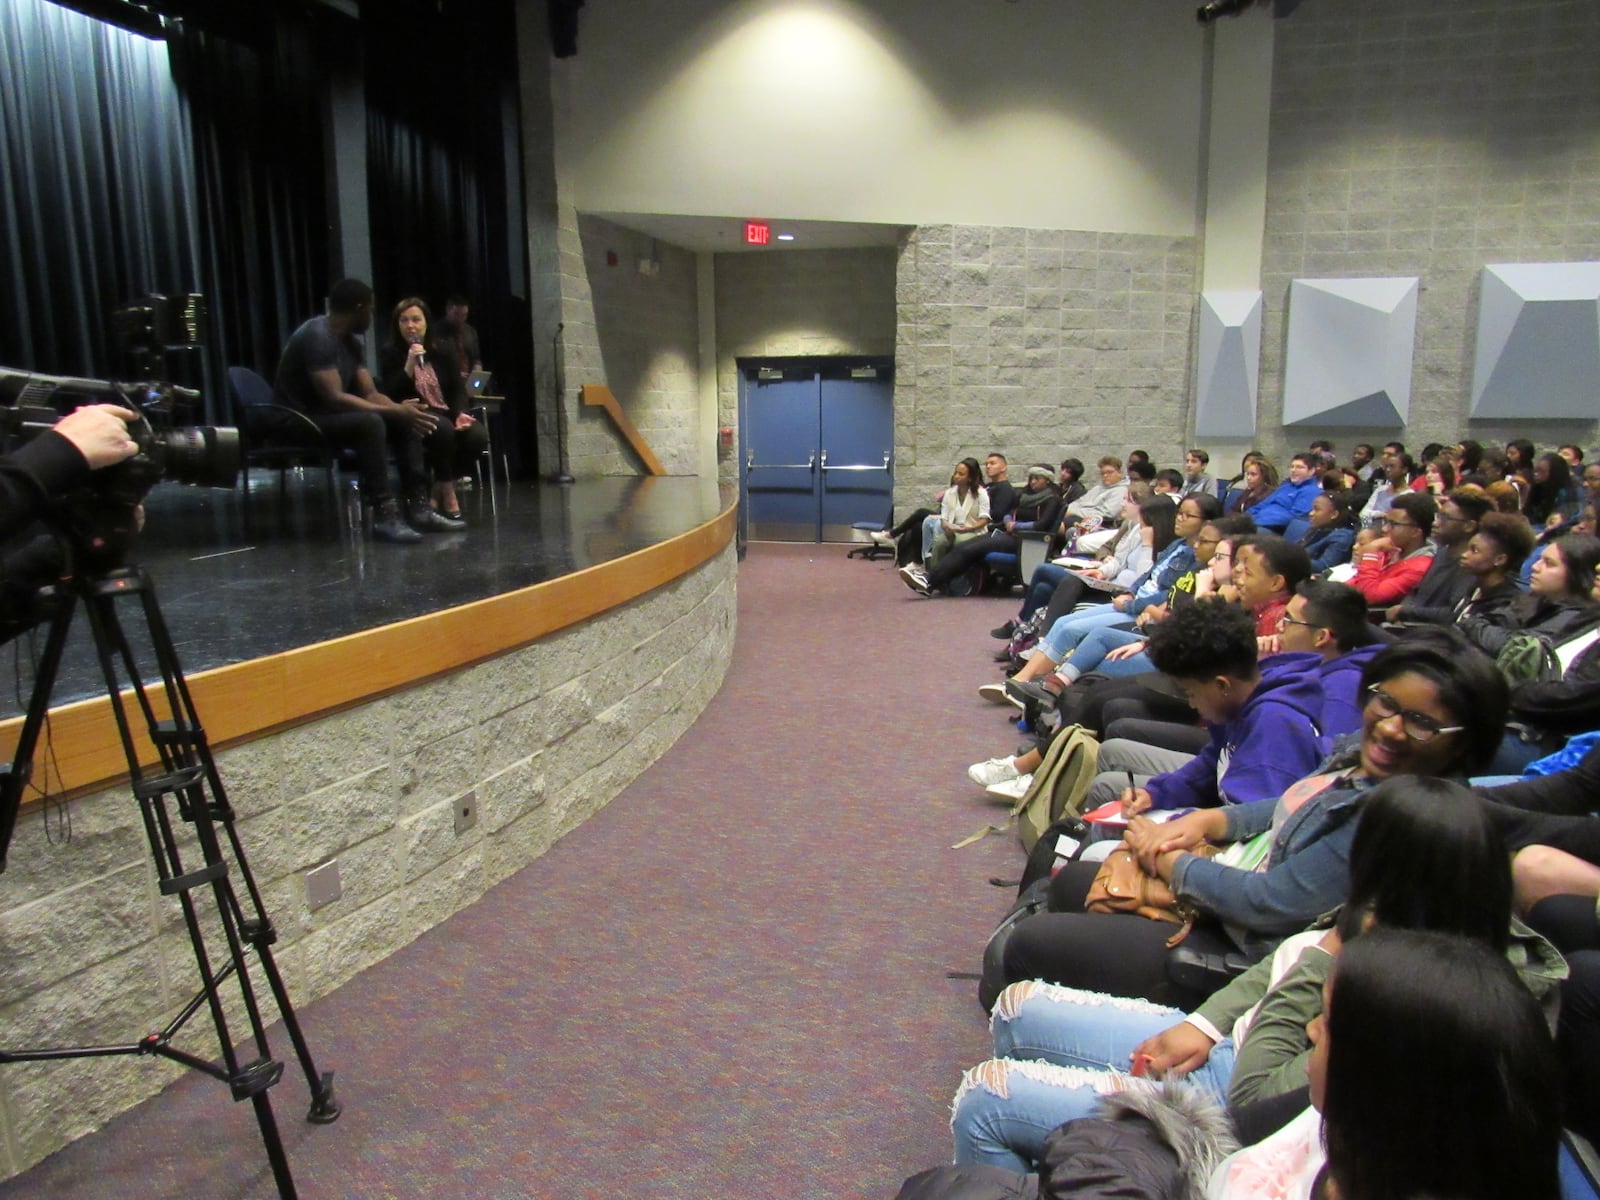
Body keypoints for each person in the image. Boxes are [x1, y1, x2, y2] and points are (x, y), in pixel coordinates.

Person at [949, 781, 1560, 1177]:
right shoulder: (1394, 910)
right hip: (1233, 1036)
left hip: (1248, 1106)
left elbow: (1259, 1096)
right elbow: (1279, 963)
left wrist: (1331, 950)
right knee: (1017, 1009)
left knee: (986, 1100)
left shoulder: (1422, 990)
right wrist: (1203, 1022)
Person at [994, 631, 1509, 1006]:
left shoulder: (1404, 816)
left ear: (1464, 742)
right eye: (1387, 703)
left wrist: (1171, 861)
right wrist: (1212, 824)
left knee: (1032, 943)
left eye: (1420, 722)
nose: (1392, 728)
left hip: (1247, 953)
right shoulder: (1362, 758)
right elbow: (1295, 800)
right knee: (1073, 880)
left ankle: (1040, 1031)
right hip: (1239, 885)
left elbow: (1273, 905)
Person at [271, 278, 435, 544]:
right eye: (370, 309)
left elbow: (370, 393)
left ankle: (419, 506)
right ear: (358, 308)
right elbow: (334, 398)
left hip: (324, 415)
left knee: (403, 419)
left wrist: (400, 410)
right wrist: (393, 412)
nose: (371, 315)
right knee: (371, 423)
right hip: (296, 420)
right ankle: (384, 513)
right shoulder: (318, 336)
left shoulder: (351, 344)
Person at [379, 297, 490, 528]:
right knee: (442, 429)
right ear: (397, 325)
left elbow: (458, 390)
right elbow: (390, 392)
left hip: (445, 411)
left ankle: (439, 485)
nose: (410, 326)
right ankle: (448, 490)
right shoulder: (391, 353)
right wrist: (409, 365)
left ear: (426, 322)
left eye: (416, 320)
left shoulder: (442, 349)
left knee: (477, 436)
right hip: (415, 414)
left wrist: (460, 412)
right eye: (404, 320)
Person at [901, 457, 987, 586]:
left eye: (961, 474)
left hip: (975, 531)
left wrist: (966, 529)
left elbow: (984, 520)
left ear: (970, 477)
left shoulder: (981, 493)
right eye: (956, 473)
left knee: (960, 541)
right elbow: (944, 518)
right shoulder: (949, 494)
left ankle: (945, 578)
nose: (956, 476)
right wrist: (947, 527)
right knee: (940, 542)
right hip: (954, 530)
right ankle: (931, 576)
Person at [1349, 490, 1436, 605]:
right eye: (1386, 522)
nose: (1385, 529)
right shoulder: (1390, 549)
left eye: (1393, 524)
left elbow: (1369, 597)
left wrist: (1371, 552)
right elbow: (1354, 583)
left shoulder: (1420, 568)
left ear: (1415, 532)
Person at [1245, 453, 1321, 533]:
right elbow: (1262, 505)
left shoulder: (1311, 491)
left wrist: (1256, 521)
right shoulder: (1285, 486)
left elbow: (1294, 518)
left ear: (1311, 471)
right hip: (1258, 522)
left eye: (1300, 467)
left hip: (1274, 529)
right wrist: (1244, 519)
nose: (1293, 470)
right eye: (1292, 467)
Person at [438, 294, 484, 380]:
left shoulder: (470, 331)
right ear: (448, 310)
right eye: (456, 315)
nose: (460, 319)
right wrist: (455, 373)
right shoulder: (435, 332)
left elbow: (476, 357)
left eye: (464, 315)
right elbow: (436, 362)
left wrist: (477, 369)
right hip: (447, 381)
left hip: (469, 380)